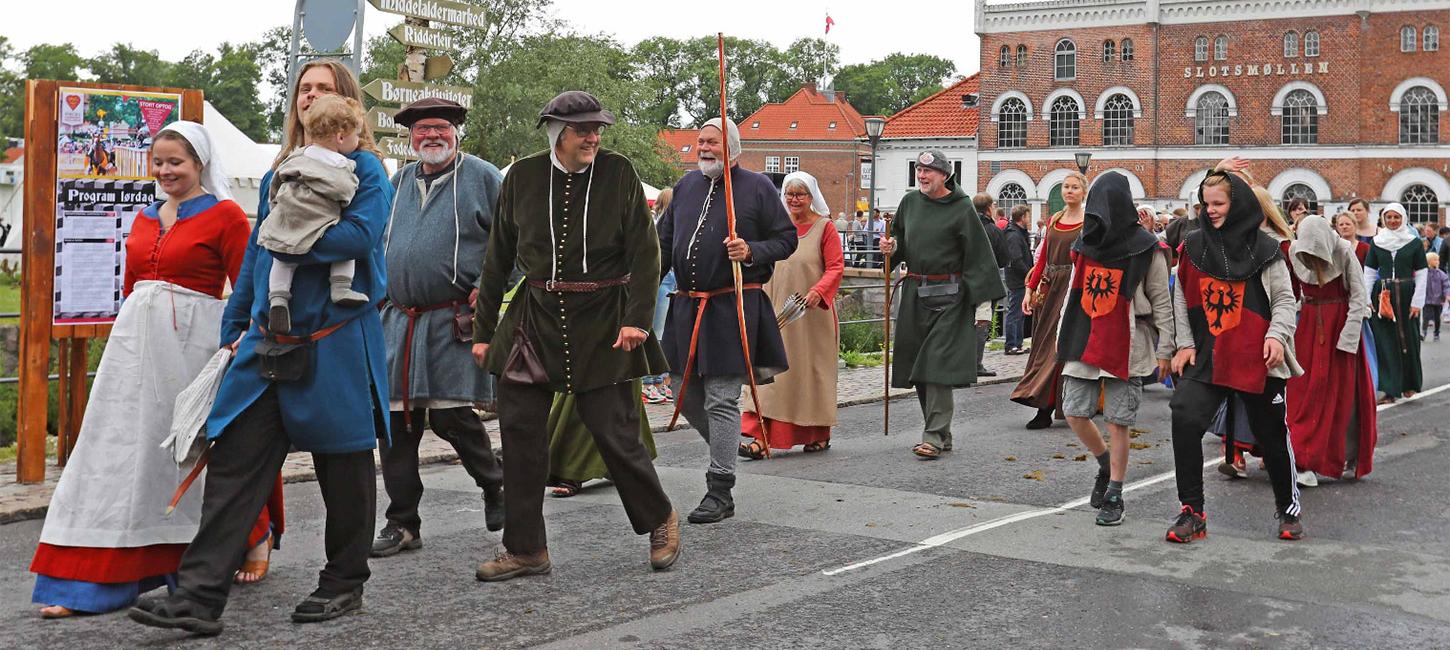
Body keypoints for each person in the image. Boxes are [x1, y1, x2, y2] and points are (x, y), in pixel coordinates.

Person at [129, 59, 393, 634]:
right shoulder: (279, 176)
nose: (310, 97)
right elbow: (255, 257)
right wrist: (234, 326)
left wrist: (288, 239)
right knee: (234, 463)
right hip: (267, 342)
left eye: (324, 89)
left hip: (337, 342)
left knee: (343, 467)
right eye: (304, 89)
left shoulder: (368, 169)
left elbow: (360, 236)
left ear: (345, 103)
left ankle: (343, 583)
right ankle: (198, 597)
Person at [31, 123, 279, 619]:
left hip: (193, 347)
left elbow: (247, 284)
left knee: (192, 447)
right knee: (117, 454)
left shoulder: (227, 215)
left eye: (177, 163)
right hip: (136, 350)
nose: (166, 171)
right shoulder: (144, 217)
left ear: (200, 164)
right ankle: (92, 578)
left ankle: (255, 532)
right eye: (159, 162)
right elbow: (134, 286)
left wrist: (239, 345)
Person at [472, 91, 680, 580]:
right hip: (533, 318)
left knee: (614, 433)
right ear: (555, 133)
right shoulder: (521, 177)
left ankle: (660, 518)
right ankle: (526, 549)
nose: (593, 137)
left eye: (597, 129)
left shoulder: (619, 172)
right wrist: (484, 331)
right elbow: (498, 257)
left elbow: (646, 255)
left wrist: (637, 318)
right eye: (582, 129)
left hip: (604, 319)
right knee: (521, 435)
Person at [371, 97, 506, 558]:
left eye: (440, 129)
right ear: (410, 138)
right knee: (395, 425)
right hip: (400, 320)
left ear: (455, 133)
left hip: (453, 319)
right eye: (422, 130)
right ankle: (402, 522)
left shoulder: (484, 177)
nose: (431, 136)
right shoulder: (399, 180)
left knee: (451, 416)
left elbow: (517, 239)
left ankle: (494, 484)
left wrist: (490, 286)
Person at [657, 116, 796, 523]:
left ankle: (720, 489)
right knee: (681, 389)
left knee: (722, 398)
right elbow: (663, 244)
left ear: (731, 147)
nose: (703, 147)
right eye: (700, 141)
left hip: (731, 306)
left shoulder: (756, 188)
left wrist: (750, 250)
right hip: (687, 306)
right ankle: (728, 442)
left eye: (712, 142)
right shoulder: (685, 186)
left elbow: (786, 239)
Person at [1165, 169, 1304, 544]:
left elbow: (1285, 301)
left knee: (1272, 434)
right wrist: (1185, 343)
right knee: (1184, 414)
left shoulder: (1266, 249)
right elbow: (1181, 296)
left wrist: (1276, 336)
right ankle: (1192, 510)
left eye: (1218, 204)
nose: (1210, 211)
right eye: (1206, 204)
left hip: (1256, 356)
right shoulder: (1192, 246)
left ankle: (1287, 508)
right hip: (1208, 355)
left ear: (1237, 203)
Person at [1055, 172, 1173, 526]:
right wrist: (1060, 337)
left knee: (1118, 421)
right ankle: (1104, 463)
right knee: (1075, 411)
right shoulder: (1084, 243)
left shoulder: (1146, 246)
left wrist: (1166, 347)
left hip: (1129, 339)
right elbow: (1073, 293)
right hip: (1085, 333)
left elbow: (1161, 300)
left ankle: (1116, 493)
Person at [878, 151, 1005, 459]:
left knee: (935, 364)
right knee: (918, 367)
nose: (923, 176)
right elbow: (900, 242)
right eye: (919, 170)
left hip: (952, 296)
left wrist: (981, 301)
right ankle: (942, 432)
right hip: (915, 292)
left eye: (929, 171)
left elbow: (978, 254)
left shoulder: (962, 208)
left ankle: (933, 436)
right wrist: (891, 247)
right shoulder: (909, 204)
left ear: (945, 175)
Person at [738, 171, 845, 458]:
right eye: (789, 194)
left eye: (800, 194)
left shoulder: (825, 228)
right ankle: (759, 436)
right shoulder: (774, 228)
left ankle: (817, 433)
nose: (794, 200)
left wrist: (819, 291)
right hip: (773, 309)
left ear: (812, 198)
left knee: (809, 376)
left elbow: (835, 267)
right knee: (769, 373)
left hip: (811, 316)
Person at [257, 95, 370, 335]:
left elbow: (276, 183)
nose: (357, 141)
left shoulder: (296, 156)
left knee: (283, 259)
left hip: (287, 217)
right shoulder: (342, 164)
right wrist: (345, 199)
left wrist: (276, 207)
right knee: (345, 252)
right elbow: (343, 190)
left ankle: (277, 298)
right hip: (318, 221)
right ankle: (340, 286)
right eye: (356, 135)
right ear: (340, 137)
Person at [1286, 215, 1377, 483]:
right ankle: (1302, 456)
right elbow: (1293, 294)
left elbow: (1359, 296)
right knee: (1303, 392)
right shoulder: (1294, 252)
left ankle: (1335, 457)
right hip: (1308, 329)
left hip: (1339, 327)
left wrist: (1348, 338)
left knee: (1342, 396)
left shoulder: (1344, 251)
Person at [1012, 171, 1087, 429]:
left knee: (1058, 347)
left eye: (1075, 187)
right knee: (1041, 345)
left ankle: (1046, 406)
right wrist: (1029, 289)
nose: (1069, 191)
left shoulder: (1088, 223)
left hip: (1072, 287)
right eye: (1066, 187)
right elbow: (1041, 259)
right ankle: (1038, 398)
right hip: (1048, 285)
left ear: (1083, 192)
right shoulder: (1055, 219)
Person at [1365, 203, 1428, 404]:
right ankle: (1390, 388)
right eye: (1389, 217)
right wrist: (1367, 299)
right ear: (1384, 219)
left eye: (1396, 217)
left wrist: (1417, 301)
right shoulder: (1377, 242)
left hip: (1407, 294)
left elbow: (1421, 273)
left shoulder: (1413, 243)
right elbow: (1370, 272)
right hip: (1383, 295)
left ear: (1403, 218)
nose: (1393, 221)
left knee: (1408, 338)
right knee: (1385, 340)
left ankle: (1410, 384)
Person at [643, 188, 677, 404]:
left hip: (671, 278)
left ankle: (662, 379)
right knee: (656, 332)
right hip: (662, 279)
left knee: (666, 333)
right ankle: (648, 382)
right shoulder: (658, 227)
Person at [973, 193, 1008, 378]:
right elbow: (1003, 258)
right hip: (985, 282)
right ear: (989, 208)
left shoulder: (966, 227)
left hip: (964, 281)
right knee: (982, 320)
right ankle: (975, 364)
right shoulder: (993, 230)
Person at [1002, 205, 1032, 355]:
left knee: (1019, 312)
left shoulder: (1018, 233)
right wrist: (1029, 274)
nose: (1029, 218)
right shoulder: (1014, 235)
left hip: (1020, 279)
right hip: (1017, 279)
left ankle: (1018, 343)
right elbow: (1016, 259)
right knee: (1014, 312)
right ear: (1022, 217)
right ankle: (1011, 344)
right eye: (1028, 215)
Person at [1424, 252, 1448, 341]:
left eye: (1438, 260)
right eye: (1435, 260)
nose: (1437, 262)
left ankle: (1436, 332)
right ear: (1429, 262)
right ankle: (1424, 331)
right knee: (1426, 316)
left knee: (1437, 318)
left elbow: (1446, 285)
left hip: (1438, 300)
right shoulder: (1425, 273)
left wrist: (1447, 295)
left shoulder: (1441, 274)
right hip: (1427, 299)